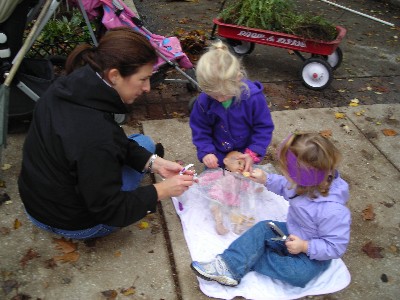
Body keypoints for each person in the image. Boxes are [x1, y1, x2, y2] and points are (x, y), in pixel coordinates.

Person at [18, 27, 195, 240]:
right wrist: (163, 190)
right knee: (140, 147)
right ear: (114, 75)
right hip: (74, 223)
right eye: (143, 79)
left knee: (145, 145)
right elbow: (110, 210)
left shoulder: (70, 86)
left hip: (38, 202)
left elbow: (110, 138)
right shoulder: (95, 136)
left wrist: (155, 164)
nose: (148, 88)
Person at [191, 132, 351, 288]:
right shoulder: (306, 182)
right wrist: (265, 179)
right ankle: (229, 266)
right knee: (264, 227)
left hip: (312, 254)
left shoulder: (333, 211)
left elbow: (335, 246)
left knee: (298, 274)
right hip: (291, 232)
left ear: (302, 177)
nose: (285, 175)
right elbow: (284, 186)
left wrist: (304, 246)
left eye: (288, 172)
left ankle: (249, 257)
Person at [189, 40, 274, 171]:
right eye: (214, 95)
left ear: (238, 78)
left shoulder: (253, 98)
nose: (220, 99)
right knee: (214, 186)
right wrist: (207, 152)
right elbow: (200, 130)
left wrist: (253, 151)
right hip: (218, 154)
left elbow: (263, 127)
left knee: (246, 184)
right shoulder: (203, 102)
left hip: (245, 154)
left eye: (224, 94)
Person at [197, 151, 256, 235]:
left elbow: (248, 188)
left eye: (243, 165)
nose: (241, 167)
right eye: (239, 163)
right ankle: (219, 223)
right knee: (215, 207)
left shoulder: (240, 179)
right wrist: (199, 180)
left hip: (233, 199)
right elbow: (209, 177)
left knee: (236, 211)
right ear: (226, 161)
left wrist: (256, 188)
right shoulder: (222, 173)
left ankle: (238, 225)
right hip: (219, 194)